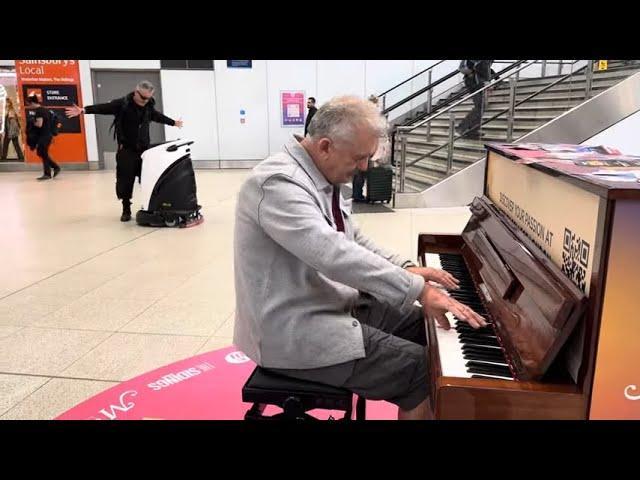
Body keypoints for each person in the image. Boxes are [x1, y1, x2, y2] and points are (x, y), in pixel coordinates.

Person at [233, 95, 486, 420]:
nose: (365, 167)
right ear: (325, 146)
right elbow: (333, 254)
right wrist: (417, 289)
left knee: (430, 330)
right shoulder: (277, 184)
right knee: (427, 373)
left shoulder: (322, 174)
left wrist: (408, 268)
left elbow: (353, 241)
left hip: (330, 304)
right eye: (360, 158)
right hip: (292, 329)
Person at [65, 80, 183, 221]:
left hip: (144, 151)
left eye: (149, 98)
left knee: (147, 179)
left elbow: (158, 117)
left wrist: (173, 123)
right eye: (144, 97)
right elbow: (104, 108)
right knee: (125, 180)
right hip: (126, 150)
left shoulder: (148, 107)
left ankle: (149, 206)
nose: (146, 101)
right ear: (136, 92)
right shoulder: (122, 104)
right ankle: (126, 208)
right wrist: (84, 110)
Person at [25, 94, 60, 180]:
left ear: (32, 102)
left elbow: (39, 124)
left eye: (29, 104)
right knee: (42, 153)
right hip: (46, 135)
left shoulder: (39, 111)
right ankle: (53, 168)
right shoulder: (44, 109)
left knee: (42, 153)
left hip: (44, 136)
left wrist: (32, 122)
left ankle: (50, 171)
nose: (29, 106)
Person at [456, 60, 493, 140]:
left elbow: (486, 68)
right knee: (480, 106)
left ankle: (473, 130)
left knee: (481, 107)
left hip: (472, 82)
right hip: (476, 83)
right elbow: (483, 68)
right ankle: (463, 127)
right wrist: (487, 82)